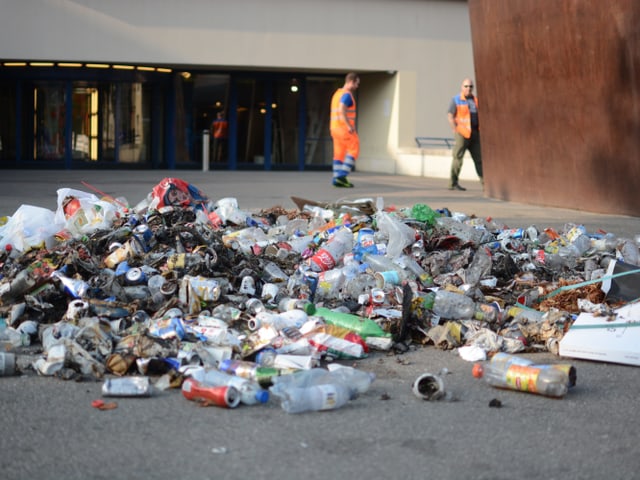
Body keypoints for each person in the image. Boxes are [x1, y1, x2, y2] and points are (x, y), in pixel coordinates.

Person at [447, 78, 483, 191]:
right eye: (466, 86)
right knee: (458, 158)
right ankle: (453, 183)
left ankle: (486, 184)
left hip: (475, 133)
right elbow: (450, 116)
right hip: (462, 133)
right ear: (462, 87)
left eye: (471, 86)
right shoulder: (456, 100)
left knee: (479, 159)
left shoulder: (476, 100)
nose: (469, 88)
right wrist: (455, 130)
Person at [330, 72, 360, 188]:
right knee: (354, 149)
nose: (357, 86)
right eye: (356, 83)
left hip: (334, 128)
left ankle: (336, 179)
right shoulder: (347, 95)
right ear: (351, 82)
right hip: (344, 129)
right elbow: (342, 109)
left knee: (339, 155)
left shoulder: (336, 94)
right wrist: (348, 125)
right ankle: (341, 176)